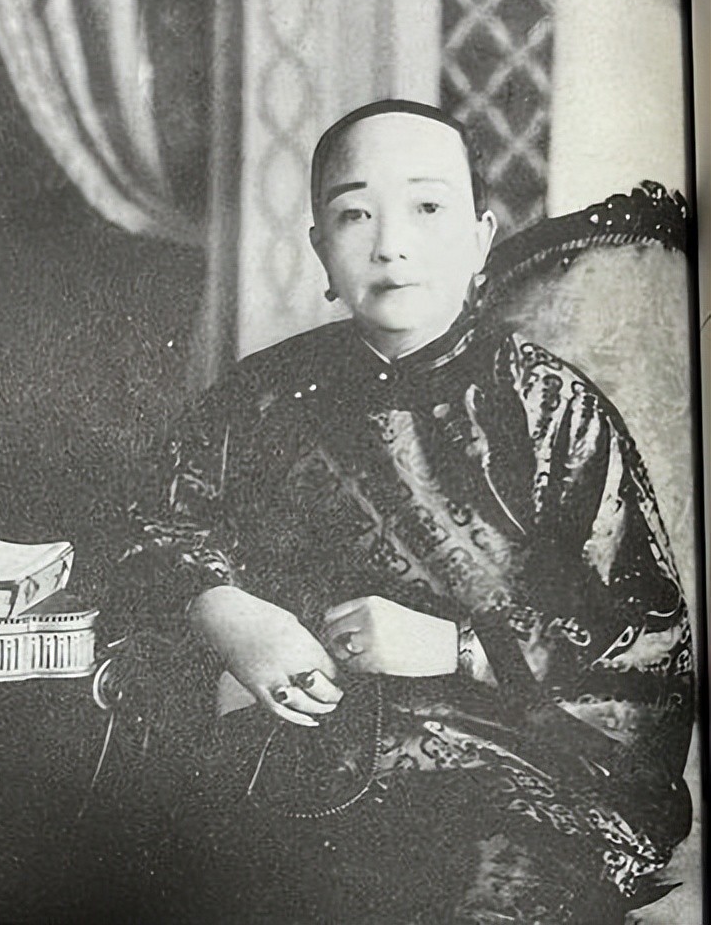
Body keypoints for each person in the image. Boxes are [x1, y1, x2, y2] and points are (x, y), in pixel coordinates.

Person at [118, 100, 694, 925]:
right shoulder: (259, 397)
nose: (390, 243)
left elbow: (643, 642)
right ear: (320, 246)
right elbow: (155, 528)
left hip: (517, 779)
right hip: (297, 761)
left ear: (480, 240)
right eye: (355, 214)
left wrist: (460, 648)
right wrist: (224, 608)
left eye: (427, 208)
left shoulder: (550, 410)